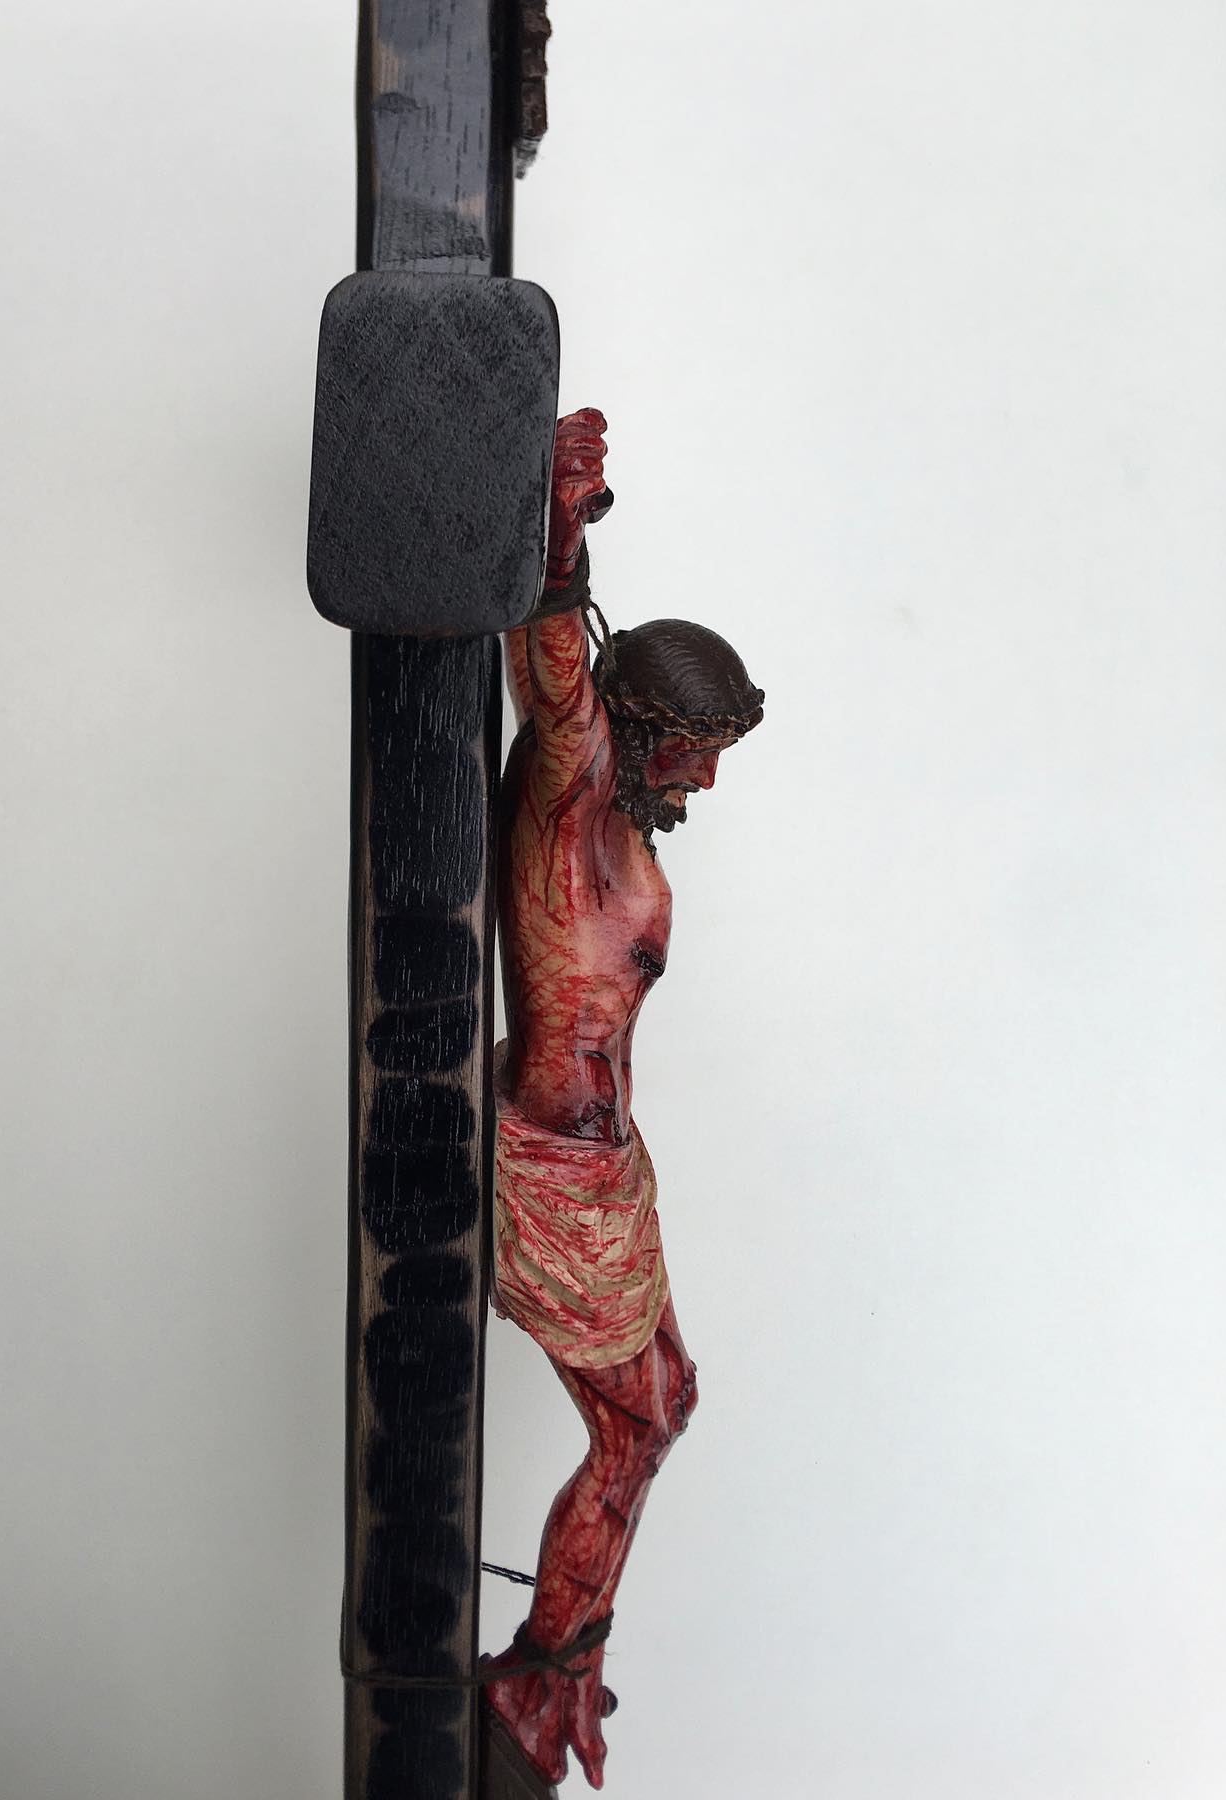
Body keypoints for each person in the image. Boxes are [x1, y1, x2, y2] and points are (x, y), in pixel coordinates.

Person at [483, 409, 764, 1788]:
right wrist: (560, 530)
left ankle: (563, 1668)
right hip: (554, 1169)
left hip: (606, 1168)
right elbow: (554, 665)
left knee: (669, 1399)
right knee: (639, 1422)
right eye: (696, 747)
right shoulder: (577, 782)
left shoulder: (622, 826)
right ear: (643, 729)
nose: (705, 777)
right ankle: (540, 1680)